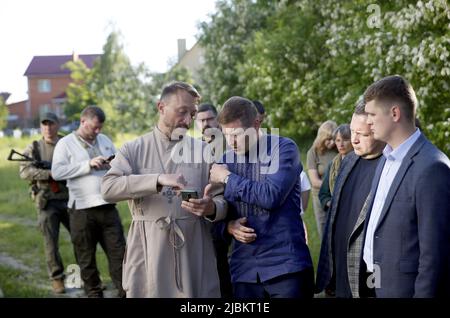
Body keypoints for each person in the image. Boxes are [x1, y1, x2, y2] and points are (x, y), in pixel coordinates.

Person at [101, 81, 227, 298]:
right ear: (161, 107)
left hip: (194, 250)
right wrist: (157, 179)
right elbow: (108, 188)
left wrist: (212, 208)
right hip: (149, 249)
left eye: (192, 114)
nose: (188, 120)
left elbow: (223, 200)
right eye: (182, 112)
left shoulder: (205, 151)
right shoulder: (134, 149)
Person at [210, 96, 314, 298]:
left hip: (285, 267)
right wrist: (228, 226)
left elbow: (271, 196)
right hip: (244, 271)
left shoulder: (285, 149)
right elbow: (219, 215)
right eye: (226, 135)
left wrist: (228, 178)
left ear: (256, 124)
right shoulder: (225, 160)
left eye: (237, 134)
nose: (231, 142)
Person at [362, 75, 450, 297]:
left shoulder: (432, 167)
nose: (367, 121)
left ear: (394, 113)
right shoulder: (385, 158)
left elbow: (435, 256)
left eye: (372, 114)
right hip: (376, 283)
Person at [52, 106, 126, 298]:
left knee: (120, 255)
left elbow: (119, 163)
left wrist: (113, 163)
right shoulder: (66, 143)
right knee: (86, 259)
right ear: (83, 122)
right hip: (82, 211)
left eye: (100, 127)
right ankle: (94, 294)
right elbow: (57, 172)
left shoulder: (104, 140)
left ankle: (125, 293)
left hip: (108, 207)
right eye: (94, 127)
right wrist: (87, 165)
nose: (97, 131)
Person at [315, 100, 385, 298]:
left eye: (362, 134)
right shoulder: (349, 161)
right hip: (340, 274)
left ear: (379, 131)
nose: (353, 140)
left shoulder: (389, 167)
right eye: (352, 132)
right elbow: (333, 219)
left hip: (369, 278)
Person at [19, 112, 70, 294]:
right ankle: (57, 279)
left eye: (52, 124)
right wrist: (49, 174)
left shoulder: (69, 143)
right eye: (45, 124)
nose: (48, 128)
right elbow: (25, 171)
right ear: (41, 127)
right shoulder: (34, 147)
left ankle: (81, 277)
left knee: (82, 240)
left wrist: (63, 172)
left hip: (71, 199)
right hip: (47, 201)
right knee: (50, 243)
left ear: (58, 125)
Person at [195, 103, 233, 298]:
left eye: (209, 118)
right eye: (201, 120)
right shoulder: (193, 148)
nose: (205, 123)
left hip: (237, 207)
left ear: (217, 119)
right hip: (212, 212)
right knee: (217, 264)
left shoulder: (231, 140)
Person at [306, 120, 338, 238]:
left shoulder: (338, 150)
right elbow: (314, 181)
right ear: (321, 138)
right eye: (328, 139)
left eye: (334, 139)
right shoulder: (313, 153)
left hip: (338, 194)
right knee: (324, 231)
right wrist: (334, 186)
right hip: (320, 196)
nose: (332, 142)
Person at [318, 124, 353, 211]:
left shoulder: (361, 161)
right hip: (336, 212)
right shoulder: (333, 164)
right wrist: (330, 203)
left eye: (345, 140)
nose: (341, 144)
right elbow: (323, 194)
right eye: (338, 140)